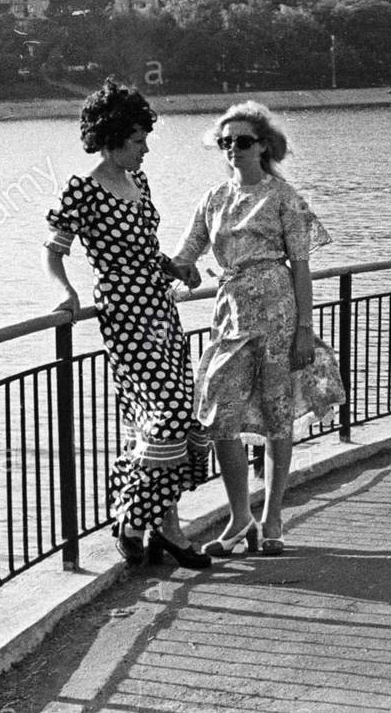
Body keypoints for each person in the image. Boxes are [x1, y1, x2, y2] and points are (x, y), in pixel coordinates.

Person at [42, 78, 212, 569]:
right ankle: (135, 520)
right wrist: (66, 293)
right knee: (169, 420)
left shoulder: (139, 183)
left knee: (181, 416)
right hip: (124, 312)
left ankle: (163, 529)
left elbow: (144, 250)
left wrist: (174, 267)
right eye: (137, 141)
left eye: (146, 140)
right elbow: (53, 253)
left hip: (161, 308)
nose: (145, 150)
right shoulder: (83, 189)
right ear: (111, 138)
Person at [173, 101, 343, 557]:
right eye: (225, 142)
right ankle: (239, 516)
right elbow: (186, 254)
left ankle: (272, 518)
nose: (232, 149)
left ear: (263, 145)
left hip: (278, 316)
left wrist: (305, 329)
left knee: (276, 416)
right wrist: (160, 270)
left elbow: (302, 267)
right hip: (230, 314)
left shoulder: (284, 197)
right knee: (219, 415)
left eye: (243, 141)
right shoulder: (214, 199)